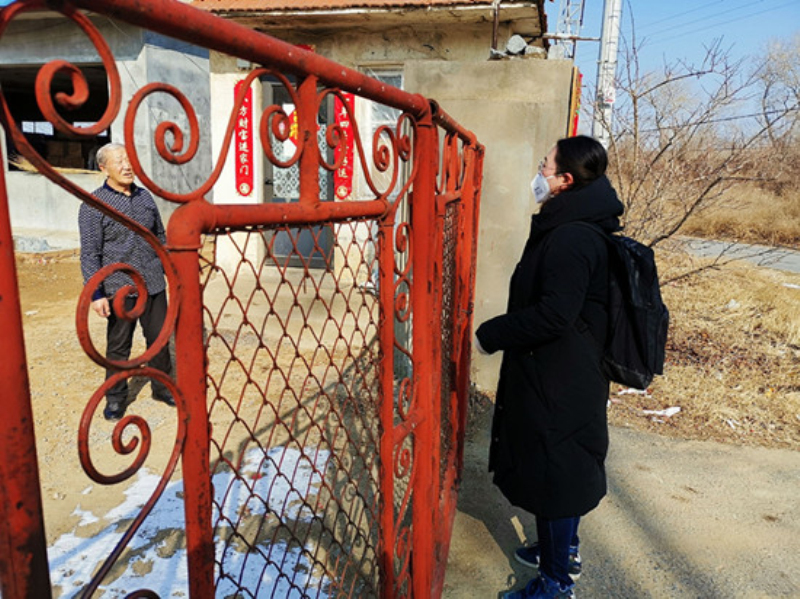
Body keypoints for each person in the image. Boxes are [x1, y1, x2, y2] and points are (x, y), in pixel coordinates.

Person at [474, 135, 624, 599]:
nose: (538, 173)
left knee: (555, 471)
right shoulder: (576, 223)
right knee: (560, 466)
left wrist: (491, 334)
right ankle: (563, 549)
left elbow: (555, 314)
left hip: (560, 376)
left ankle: (556, 582)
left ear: (565, 180)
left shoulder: (571, 237)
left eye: (545, 166)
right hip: (565, 368)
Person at [79, 142, 175, 421]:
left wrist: (170, 270)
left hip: (153, 281)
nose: (127, 166)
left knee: (159, 338)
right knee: (119, 346)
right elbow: (90, 253)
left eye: (128, 160)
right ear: (103, 168)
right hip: (120, 286)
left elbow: (160, 237)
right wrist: (96, 294)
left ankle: (162, 387)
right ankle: (115, 398)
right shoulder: (94, 205)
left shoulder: (145, 197)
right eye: (119, 161)